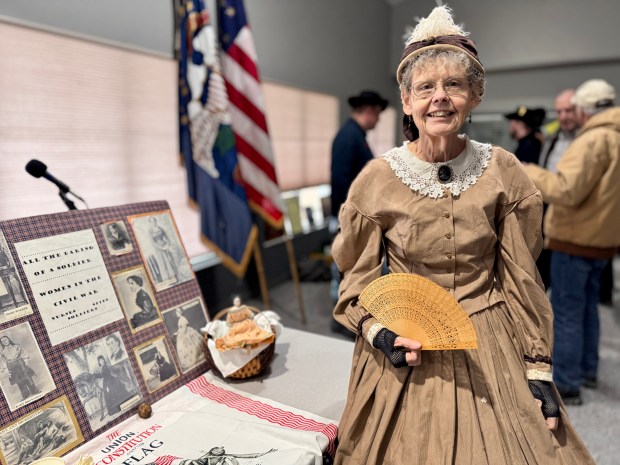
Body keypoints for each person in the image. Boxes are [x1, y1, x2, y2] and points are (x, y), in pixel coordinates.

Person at [331, 5, 594, 464]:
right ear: (407, 100)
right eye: (426, 87)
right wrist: (381, 333)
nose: (440, 98)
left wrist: (536, 365)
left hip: (490, 335)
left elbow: (521, 276)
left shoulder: (503, 170)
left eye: (454, 85)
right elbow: (357, 281)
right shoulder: (376, 180)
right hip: (411, 341)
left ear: (475, 95)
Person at [524, 78, 620, 405]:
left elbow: (565, 190)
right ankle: (587, 370)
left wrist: (530, 172)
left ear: (584, 109)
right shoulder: (615, 136)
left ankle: (567, 382)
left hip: (574, 239)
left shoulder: (591, 141)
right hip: (602, 241)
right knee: (588, 307)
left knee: (566, 311)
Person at [535, 89, 578, 289]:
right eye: (559, 112)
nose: (563, 117)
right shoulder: (552, 137)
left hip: (572, 214)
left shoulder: (587, 140)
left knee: (570, 287)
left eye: (568, 111)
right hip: (547, 207)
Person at [0, 335, 38, 400]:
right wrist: (6, 371)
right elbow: (3, 362)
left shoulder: (17, 346)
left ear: (9, 339)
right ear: (1, 343)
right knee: (19, 381)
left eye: (6, 340)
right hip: (11, 367)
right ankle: (25, 394)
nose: (5, 342)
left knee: (27, 377)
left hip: (20, 364)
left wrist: (26, 361)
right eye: (3, 341)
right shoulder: (2, 352)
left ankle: (34, 390)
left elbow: (23, 354)